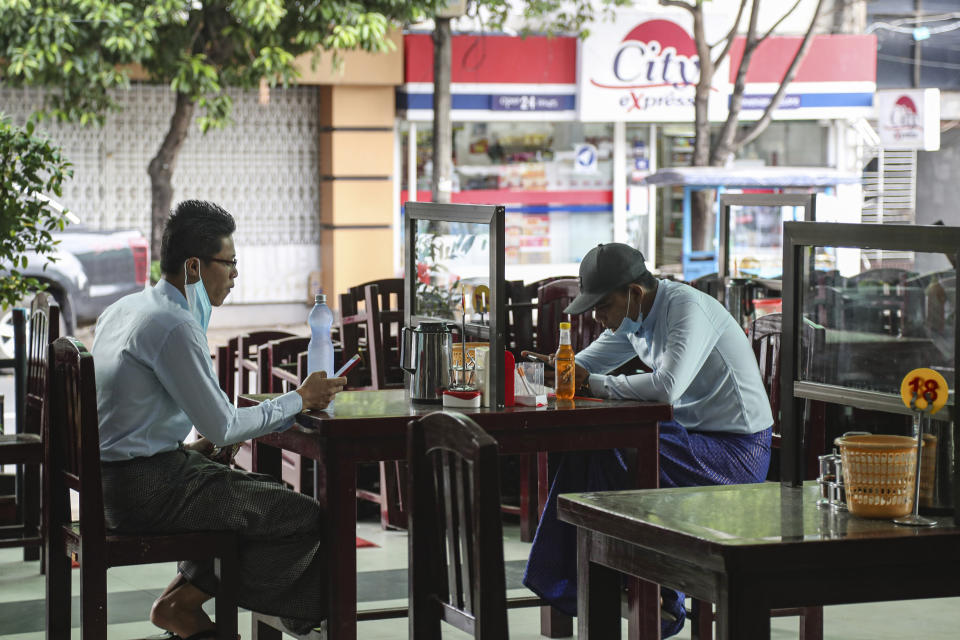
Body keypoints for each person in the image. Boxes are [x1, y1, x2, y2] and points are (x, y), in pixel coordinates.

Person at [93, 200, 346, 639]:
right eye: (228, 263)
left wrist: (194, 449)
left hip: (117, 482)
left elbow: (133, 422)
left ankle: (181, 601)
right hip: (144, 491)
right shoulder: (172, 324)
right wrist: (300, 399)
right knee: (299, 515)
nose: (234, 275)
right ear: (194, 266)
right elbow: (224, 426)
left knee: (265, 494)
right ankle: (195, 608)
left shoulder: (127, 309)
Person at [521, 242, 773, 638]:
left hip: (736, 455)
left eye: (603, 307)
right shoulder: (634, 322)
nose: (600, 319)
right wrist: (555, 368)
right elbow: (584, 365)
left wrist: (594, 383)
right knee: (592, 445)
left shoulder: (687, 309)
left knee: (617, 446)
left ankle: (643, 589)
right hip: (688, 441)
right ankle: (595, 582)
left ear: (634, 293)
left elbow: (666, 387)